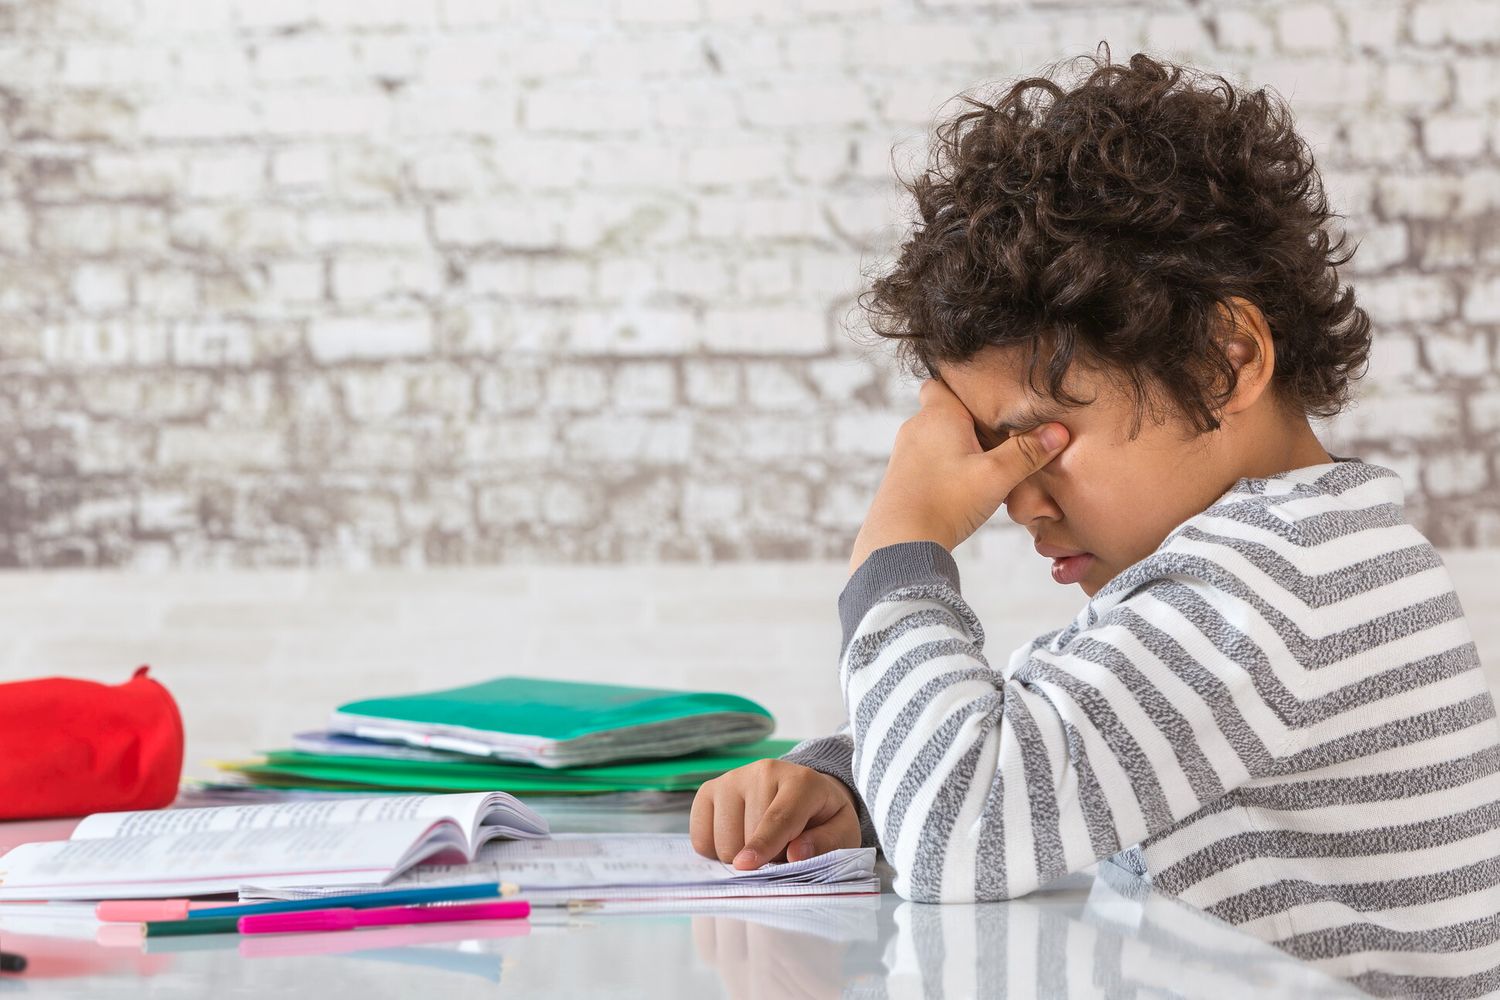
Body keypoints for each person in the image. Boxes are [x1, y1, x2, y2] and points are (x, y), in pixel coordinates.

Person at [690, 46, 1500, 990]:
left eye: (1039, 438)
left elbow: (959, 829)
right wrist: (850, 787)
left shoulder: (1273, 586)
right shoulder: (1292, 551)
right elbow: (1046, 736)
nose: (1015, 500)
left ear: (1221, 361)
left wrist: (900, 539)